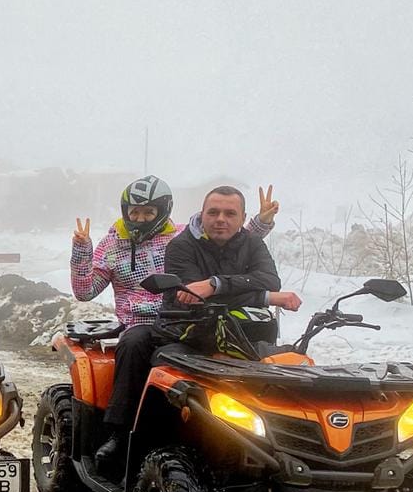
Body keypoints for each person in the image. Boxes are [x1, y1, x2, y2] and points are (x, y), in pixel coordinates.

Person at [94, 185, 303, 475]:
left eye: (230, 213)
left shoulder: (253, 244)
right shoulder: (181, 246)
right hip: (185, 332)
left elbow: (269, 280)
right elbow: (193, 295)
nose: (221, 219)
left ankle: (282, 446)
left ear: (242, 218)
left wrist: (216, 284)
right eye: (213, 212)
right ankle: (122, 435)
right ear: (202, 214)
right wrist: (265, 297)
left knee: (285, 371)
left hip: (240, 336)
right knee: (136, 344)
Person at [71, 179, 281, 326]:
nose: (140, 219)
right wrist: (82, 251)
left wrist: (262, 222)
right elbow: (85, 293)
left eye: (148, 212)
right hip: (138, 323)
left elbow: (227, 238)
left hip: (186, 318)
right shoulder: (111, 246)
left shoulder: (181, 237)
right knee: (132, 347)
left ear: (163, 211)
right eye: (134, 212)